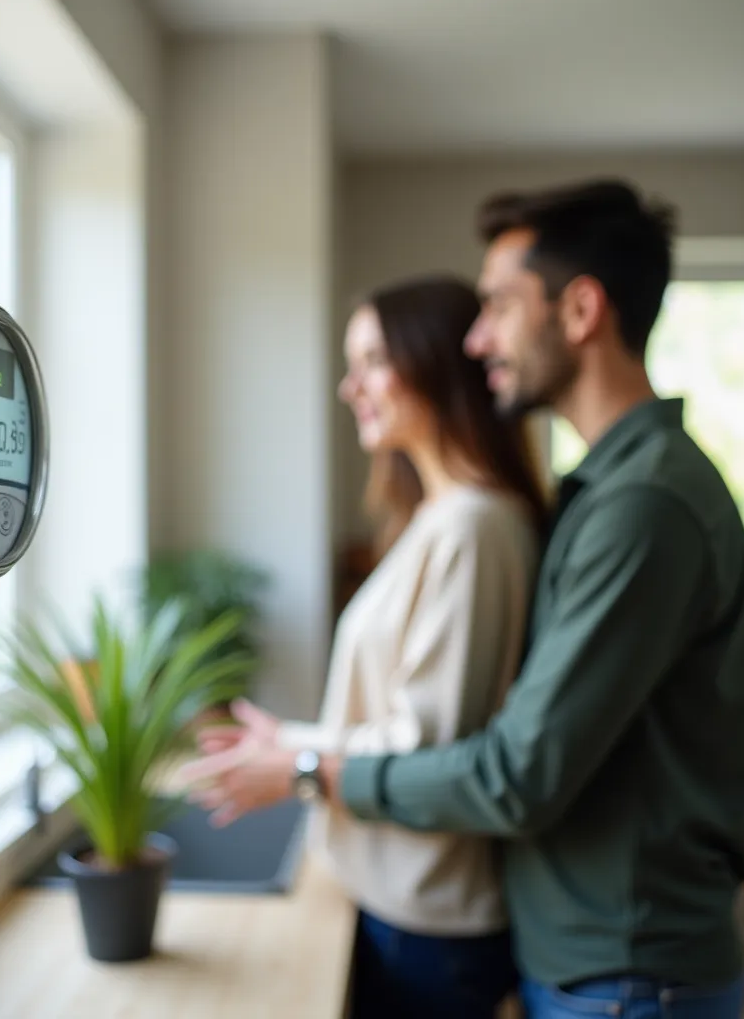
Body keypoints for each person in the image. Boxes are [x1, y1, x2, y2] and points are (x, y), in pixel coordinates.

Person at [181, 180, 744, 1019]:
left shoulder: (643, 506)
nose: (478, 338)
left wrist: (307, 765)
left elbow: (515, 773)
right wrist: (304, 747)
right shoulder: (601, 494)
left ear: (581, 309)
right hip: (594, 960)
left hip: (626, 974)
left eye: (497, 307)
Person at [191, 275, 547, 1019]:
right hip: (399, 902)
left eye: (374, 360)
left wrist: (296, 765)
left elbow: (431, 752)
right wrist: (288, 738)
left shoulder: (473, 528)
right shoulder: (440, 517)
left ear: (438, 365)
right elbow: (405, 719)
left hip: (430, 919)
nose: (351, 387)